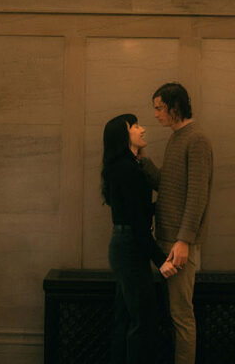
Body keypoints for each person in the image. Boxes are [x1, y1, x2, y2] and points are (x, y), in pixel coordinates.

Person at [140, 82, 213, 364]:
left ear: (175, 107)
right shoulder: (176, 137)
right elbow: (167, 185)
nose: (156, 114)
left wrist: (184, 241)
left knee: (181, 316)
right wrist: (143, 159)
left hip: (178, 245)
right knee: (170, 314)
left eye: (159, 108)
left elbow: (197, 196)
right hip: (166, 241)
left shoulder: (196, 139)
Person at [102, 113, 178, 364]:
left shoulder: (126, 166)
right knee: (142, 320)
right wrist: (160, 259)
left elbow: (137, 212)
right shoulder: (125, 169)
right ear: (124, 136)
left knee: (125, 318)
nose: (142, 129)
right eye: (134, 126)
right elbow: (137, 221)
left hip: (127, 244)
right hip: (130, 246)